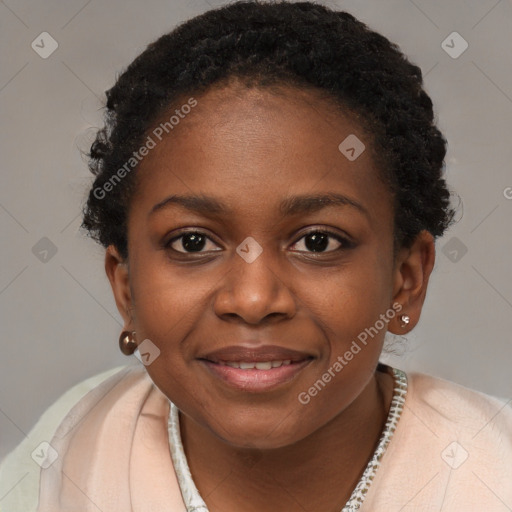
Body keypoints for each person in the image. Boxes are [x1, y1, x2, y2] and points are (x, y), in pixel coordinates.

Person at [1, 1, 511, 511]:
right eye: (193, 242)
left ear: (406, 280)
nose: (251, 299)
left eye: (318, 242)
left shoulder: (490, 473)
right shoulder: (70, 458)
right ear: (126, 286)